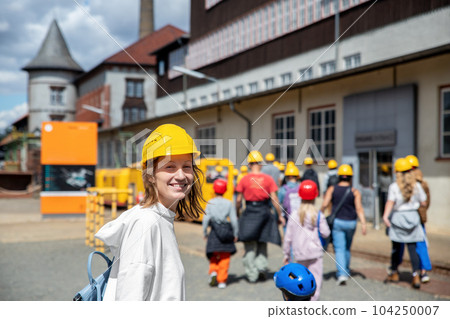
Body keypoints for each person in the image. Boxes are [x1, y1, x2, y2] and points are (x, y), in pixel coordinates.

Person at [95, 124, 204, 300]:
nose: (182, 175)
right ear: (151, 175)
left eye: (187, 166)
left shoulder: (161, 219)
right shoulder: (145, 223)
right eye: (170, 167)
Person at [235, 150, 284, 283]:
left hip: (250, 211)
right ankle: (262, 268)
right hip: (264, 211)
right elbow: (274, 199)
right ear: (261, 165)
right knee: (262, 241)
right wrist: (280, 215)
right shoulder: (268, 179)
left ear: (250, 164)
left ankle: (252, 274)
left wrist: (237, 214)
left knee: (249, 244)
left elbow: (238, 200)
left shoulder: (244, 178)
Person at [383, 158, 427, 289]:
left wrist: (385, 217)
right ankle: (416, 276)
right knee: (413, 249)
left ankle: (395, 272)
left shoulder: (394, 186)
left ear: (397, 172)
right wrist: (416, 203)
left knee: (396, 248)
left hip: (398, 218)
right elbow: (424, 202)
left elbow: (390, 203)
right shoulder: (417, 185)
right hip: (413, 217)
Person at [283, 180, 330, 301]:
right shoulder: (318, 214)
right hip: (315, 253)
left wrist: (286, 254)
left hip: (299, 253)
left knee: (299, 279)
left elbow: (288, 237)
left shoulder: (294, 214)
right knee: (316, 279)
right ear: (315, 196)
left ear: (300, 195)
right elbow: (326, 233)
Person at [320, 164, 367, 286]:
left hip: (338, 223)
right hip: (351, 223)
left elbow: (324, 204)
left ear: (339, 177)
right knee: (347, 247)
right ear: (351, 177)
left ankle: (342, 274)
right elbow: (359, 208)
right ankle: (346, 269)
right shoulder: (355, 191)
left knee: (339, 248)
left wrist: (319, 216)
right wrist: (363, 223)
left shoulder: (332, 189)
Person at [203, 179, 238, 289]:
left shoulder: (210, 203)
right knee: (225, 257)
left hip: (214, 232)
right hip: (226, 232)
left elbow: (205, 220)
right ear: (225, 190)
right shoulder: (229, 203)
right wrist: (236, 234)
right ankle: (222, 280)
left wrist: (204, 232)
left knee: (213, 254)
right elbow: (234, 220)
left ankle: (213, 271)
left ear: (214, 189)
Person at [406, 154, 432, 283]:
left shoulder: (406, 183)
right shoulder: (423, 183)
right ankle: (423, 271)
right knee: (422, 244)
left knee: (407, 245)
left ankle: (396, 269)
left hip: (408, 219)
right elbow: (427, 202)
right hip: (420, 218)